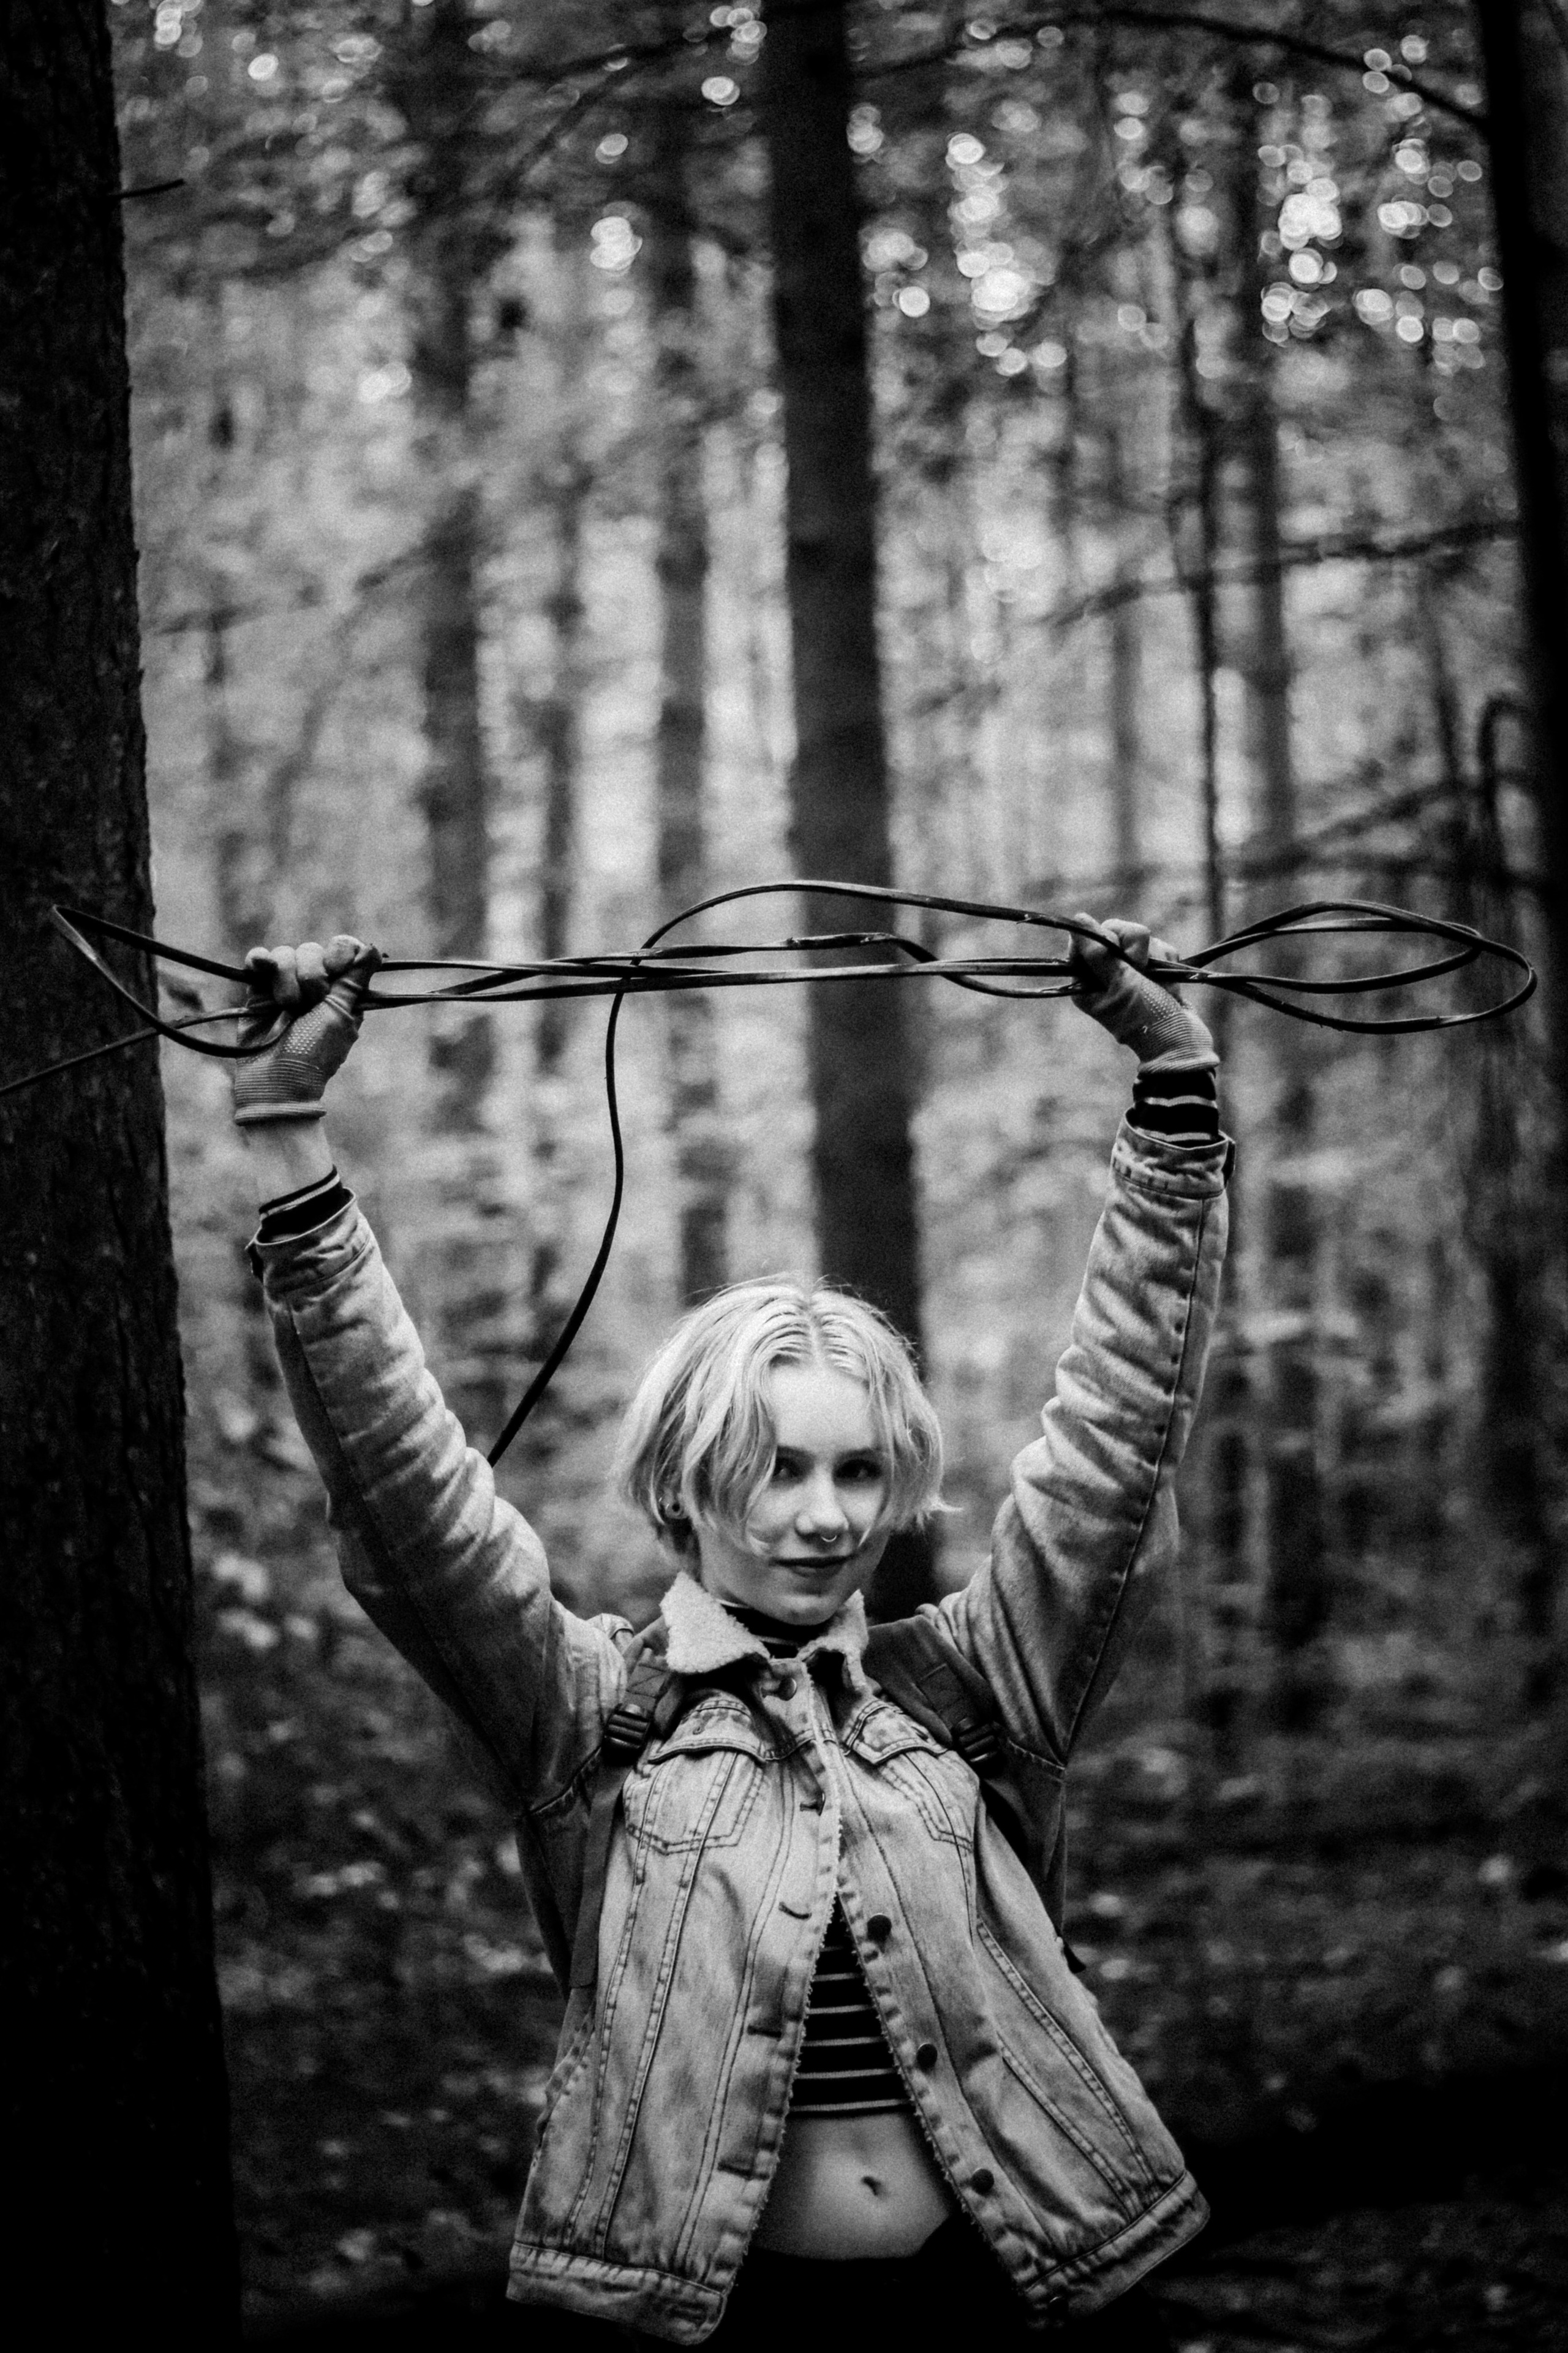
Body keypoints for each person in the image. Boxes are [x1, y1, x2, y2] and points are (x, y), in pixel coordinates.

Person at [233, 918, 1229, 2350]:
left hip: (1004, 2296)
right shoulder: (589, 1712)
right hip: (710, 2325)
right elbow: (408, 1498)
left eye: (857, 1469)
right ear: (683, 1480)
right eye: (777, 1465)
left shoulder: (967, 1680)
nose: (824, 1516)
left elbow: (1117, 1444)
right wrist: (283, 1131)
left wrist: (1174, 1077)